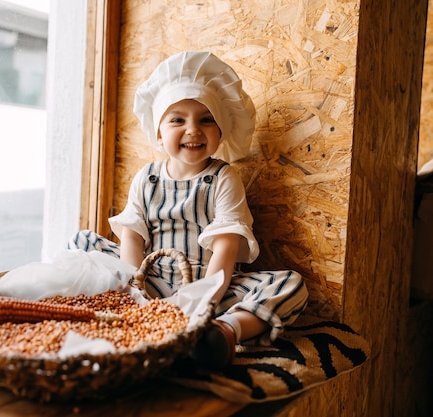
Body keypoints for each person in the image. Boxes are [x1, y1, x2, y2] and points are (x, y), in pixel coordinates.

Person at [68, 51, 309, 371]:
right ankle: (122, 311)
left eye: (206, 119)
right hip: (151, 280)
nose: (193, 129)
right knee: (82, 243)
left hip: (212, 284)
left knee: (291, 284)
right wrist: (133, 287)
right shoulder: (146, 178)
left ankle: (223, 331)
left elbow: (226, 246)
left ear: (221, 130)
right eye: (178, 119)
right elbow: (133, 236)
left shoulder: (223, 178)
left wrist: (203, 301)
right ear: (158, 131)